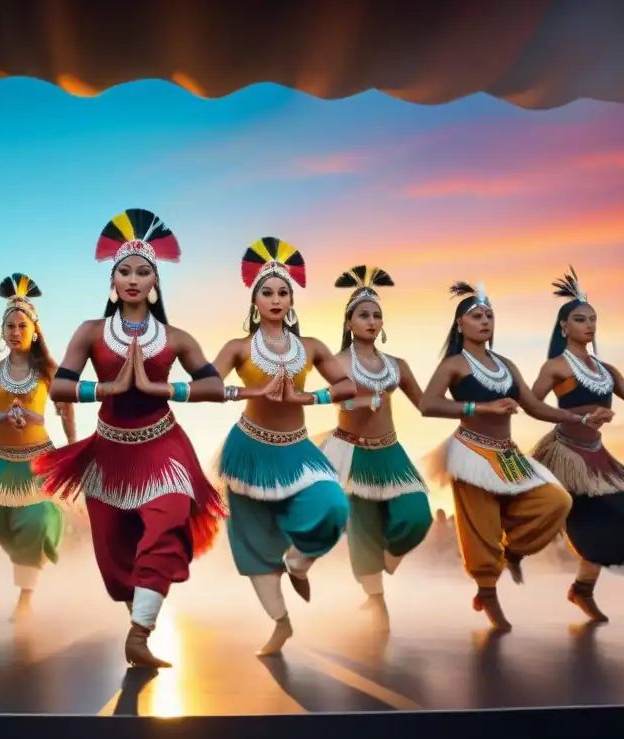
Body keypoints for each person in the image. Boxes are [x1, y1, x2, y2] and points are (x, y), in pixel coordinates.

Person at [33, 208, 226, 668]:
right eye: (124, 271)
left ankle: (139, 635)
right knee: (116, 553)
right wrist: (108, 388)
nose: (133, 279)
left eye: (143, 271)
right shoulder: (91, 332)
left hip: (164, 447)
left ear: (155, 282)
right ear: (112, 282)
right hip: (109, 454)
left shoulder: (176, 337)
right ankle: (138, 610)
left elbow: (215, 386)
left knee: (168, 521)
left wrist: (164, 388)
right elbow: (59, 386)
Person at [419, 281, 610, 631]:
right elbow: (427, 404)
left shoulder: (504, 364)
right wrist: (483, 406)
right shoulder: (454, 365)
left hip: (507, 455)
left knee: (555, 501)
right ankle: (487, 592)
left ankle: (513, 552)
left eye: (489, 315)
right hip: (471, 451)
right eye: (476, 316)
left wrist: (580, 418)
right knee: (481, 525)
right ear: (460, 324)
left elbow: (534, 406)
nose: (485, 321)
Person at [212, 237, 354, 654]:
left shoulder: (311, 347)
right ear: (254, 301)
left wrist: (304, 399)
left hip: (297, 449)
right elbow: (207, 384)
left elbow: (346, 385)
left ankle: (299, 560)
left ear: (292, 299)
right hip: (249, 452)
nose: (276, 299)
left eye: (283, 292)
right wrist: (246, 393)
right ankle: (281, 623)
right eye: (267, 292)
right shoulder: (238, 348)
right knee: (253, 542)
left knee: (333, 505)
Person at [530, 268, 624, 621]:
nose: (589, 325)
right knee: (578, 520)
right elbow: (533, 405)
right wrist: (578, 419)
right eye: (580, 319)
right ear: (564, 327)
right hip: (564, 453)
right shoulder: (556, 367)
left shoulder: (606, 369)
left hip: (597, 457)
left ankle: (581, 589)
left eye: (593, 319)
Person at [317, 266, 432, 631]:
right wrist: (361, 404)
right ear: (349, 322)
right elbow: (332, 402)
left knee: (417, 515)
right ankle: (376, 603)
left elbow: (427, 405)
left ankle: (391, 556)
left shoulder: (398, 365)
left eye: (377, 315)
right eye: (363, 315)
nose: (371, 321)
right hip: (351, 452)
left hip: (390, 452)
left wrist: (475, 407)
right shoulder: (335, 363)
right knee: (363, 527)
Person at [0, 273, 75, 621]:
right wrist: (1, 419)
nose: (15, 332)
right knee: (0, 526)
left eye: (22, 326)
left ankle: (25, 597)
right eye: (10, 326)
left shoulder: (50, 372)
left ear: (35, 331)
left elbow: (65, 411)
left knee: (35, 521)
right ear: (2, 332)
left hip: (37, 462)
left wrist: (72, 451)